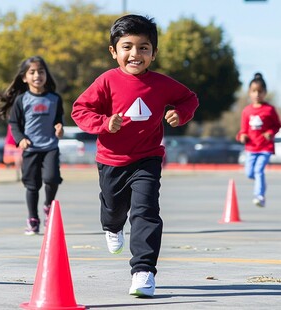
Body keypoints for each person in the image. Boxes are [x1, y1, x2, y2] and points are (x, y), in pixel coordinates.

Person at [71, 14, 199, 297]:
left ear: (153, 53)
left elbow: (189, 97)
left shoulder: (162, 84)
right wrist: (105, 123)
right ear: (113, 51)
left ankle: (143, 271)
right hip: (111, 160)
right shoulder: (106, 81)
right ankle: (112, 226)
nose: (135, 54)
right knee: (114, 207)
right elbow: (80, 110)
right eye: (127, 46)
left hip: (148, 159)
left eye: (143, 47)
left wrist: (181, 113)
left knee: (145, 212)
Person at [0, 55, 64, 235]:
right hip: (30, 148)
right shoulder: (21, 100)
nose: (37, 75)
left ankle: (48, 205)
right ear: (24, 77)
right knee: (32, 185)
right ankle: (33, 219)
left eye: (41, 71)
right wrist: (20, 139)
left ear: (46, 75)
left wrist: (59, 128)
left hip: (50, 147)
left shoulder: (55, 98)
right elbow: (14, 123)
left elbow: (58, 121)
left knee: (52, 178)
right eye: (32, 72)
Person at [237, 73, 281, 208]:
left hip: (265, 148)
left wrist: (270, 132)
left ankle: (259, 196)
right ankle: (261, 184)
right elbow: (243, 130)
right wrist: (242, 136)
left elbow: (277, 125)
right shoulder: (246, 111)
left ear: (265, 92)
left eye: (260, 91)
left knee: (258, 171)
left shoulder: (269, 109)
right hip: (251, 148)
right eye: (254, 91)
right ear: (249, 93)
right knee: (250, 173)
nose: (257, 94)